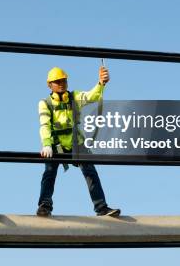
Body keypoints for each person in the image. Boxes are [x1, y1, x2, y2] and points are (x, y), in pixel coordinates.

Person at [36, 66, 120, 217]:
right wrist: (47, 145)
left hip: (76, 143)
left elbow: (91, 96)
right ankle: (44, 206)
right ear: (50, 85)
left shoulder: (74, 97)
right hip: (56, 145)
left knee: (90, 171)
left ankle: (101, 207)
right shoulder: (45, 103)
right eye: (57, 81)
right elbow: (44, 125)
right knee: (49, 173)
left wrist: (101, 83)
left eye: (64, 80)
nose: (61, 83)